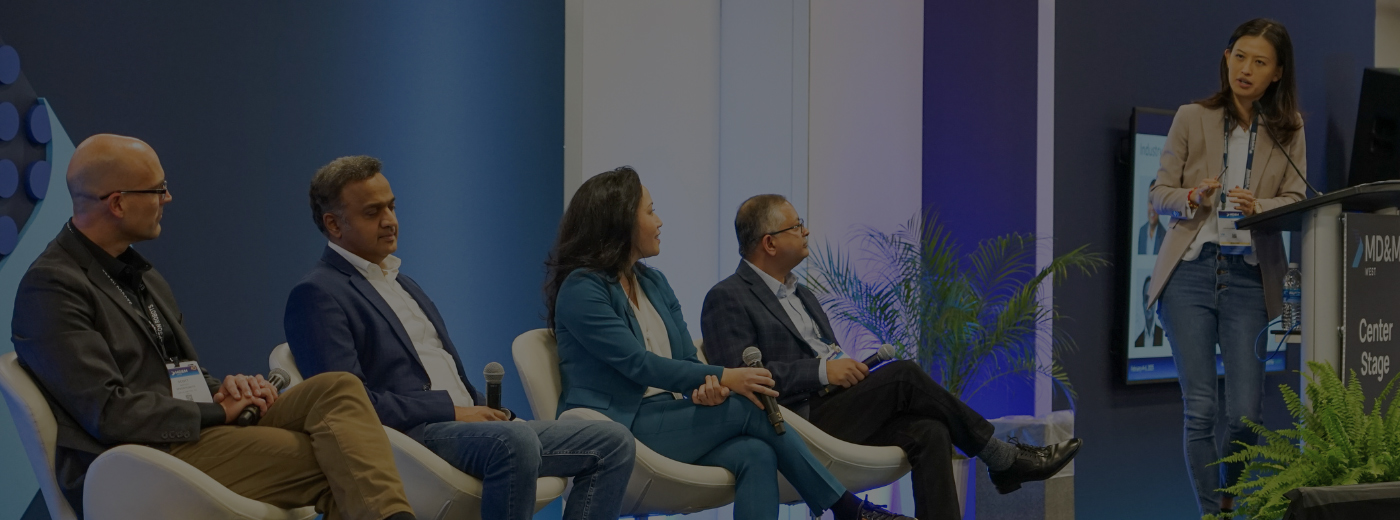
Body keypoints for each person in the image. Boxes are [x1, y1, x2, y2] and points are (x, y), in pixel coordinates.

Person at [12, 135, 415, 520]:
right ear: (117, 204)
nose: (168, 198)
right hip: (139, 459)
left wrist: (225, 388)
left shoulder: (141, 275)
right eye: (158, 190)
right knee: (341, 459)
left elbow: (177, 371)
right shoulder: (53, 286)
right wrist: (217, 410)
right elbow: (109, 412)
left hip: (188, 433)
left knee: (337, 387)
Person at [545, 167, 913, 520]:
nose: (659, 222)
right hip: (618, 425)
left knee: (756, 453)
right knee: (748, 407)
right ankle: (846, 508)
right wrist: (725, 376)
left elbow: (688, 357)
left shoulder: (653, 283)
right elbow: (638, 364)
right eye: (651, 211)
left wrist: (706, 387)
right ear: (620, 220)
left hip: (668, 417)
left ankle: (846, 509)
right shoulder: (582, 288)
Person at [284, 156, 635, 520]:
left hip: (467, 426)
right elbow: (348, 407)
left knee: (612, 442)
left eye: (391, 207)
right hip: (412, 438)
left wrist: (491, 412)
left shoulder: (403, 283)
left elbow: (443, 373)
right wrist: (453, 411)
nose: (390, 221)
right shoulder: (318, 294)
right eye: (373, 212)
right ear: (334, 224)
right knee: (514, 443)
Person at [701, 194, 1083, 520]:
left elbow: (827, 355)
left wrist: (844, 369)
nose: (806, 232)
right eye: (797, 226)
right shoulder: (727, 297)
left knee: (930, 431)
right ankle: (1003, 458)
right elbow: (742, 379)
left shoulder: (803, 294)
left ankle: (1002, 463)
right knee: (903, 375)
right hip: (798, 421)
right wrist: (823, 371)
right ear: (769, 243)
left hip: (838, 409)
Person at [1146, 18, 1307, 516]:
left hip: (1248, 277)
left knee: (1244, 415)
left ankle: (1228, 496)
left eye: (1259, 62)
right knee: (1201, 410)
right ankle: (1215, 513)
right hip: (1191, 274)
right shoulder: (1192, 116)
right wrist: (1194, 195)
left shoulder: (1289, 128)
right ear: (1226, 57)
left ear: (1277, 73)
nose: (1246, 69)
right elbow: (1159, 193)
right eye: (1239, 56)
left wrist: (1260, 207)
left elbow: (1296, 198)